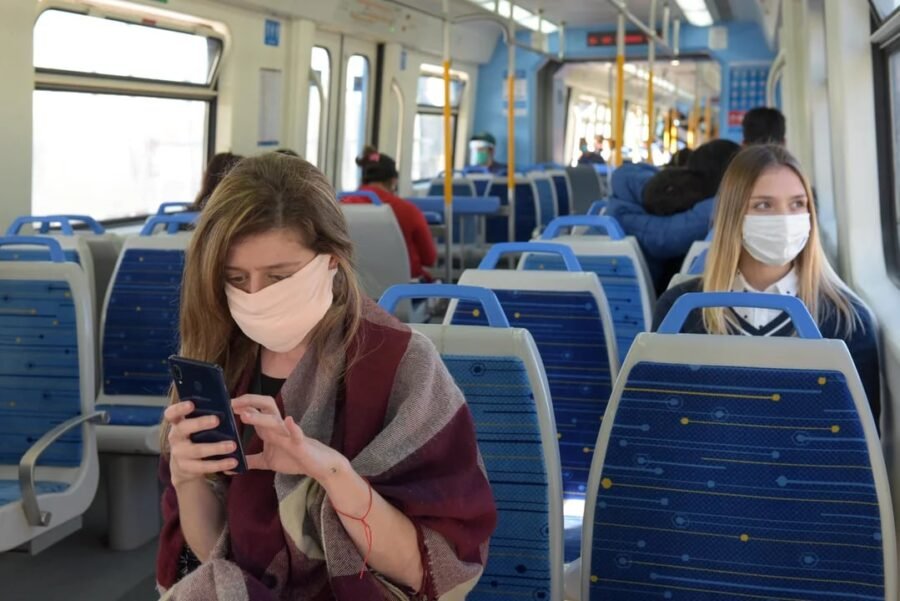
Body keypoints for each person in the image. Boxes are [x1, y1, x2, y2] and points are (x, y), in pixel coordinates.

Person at [156, 153, 496, 599]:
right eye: (236, 278)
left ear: (332, 260)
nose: (255, 297)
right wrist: (187, 480)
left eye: (278, 277)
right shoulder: (219, 357)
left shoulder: (399, 365)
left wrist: (334, 475)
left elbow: (425, 571)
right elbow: (217, 559)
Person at [653, 145, 880, 422]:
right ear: (733, 215)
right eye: (763, 205)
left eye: (797, 204)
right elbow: (660, 423)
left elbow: (858, 439)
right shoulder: (679, 312)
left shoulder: (847, 319)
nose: (785, 219)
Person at [347, 148, 438, 282]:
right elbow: (429, 258)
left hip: (352, 286)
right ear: (394, 181)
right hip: (403, 288)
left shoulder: (341, 207)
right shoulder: (408, 211)